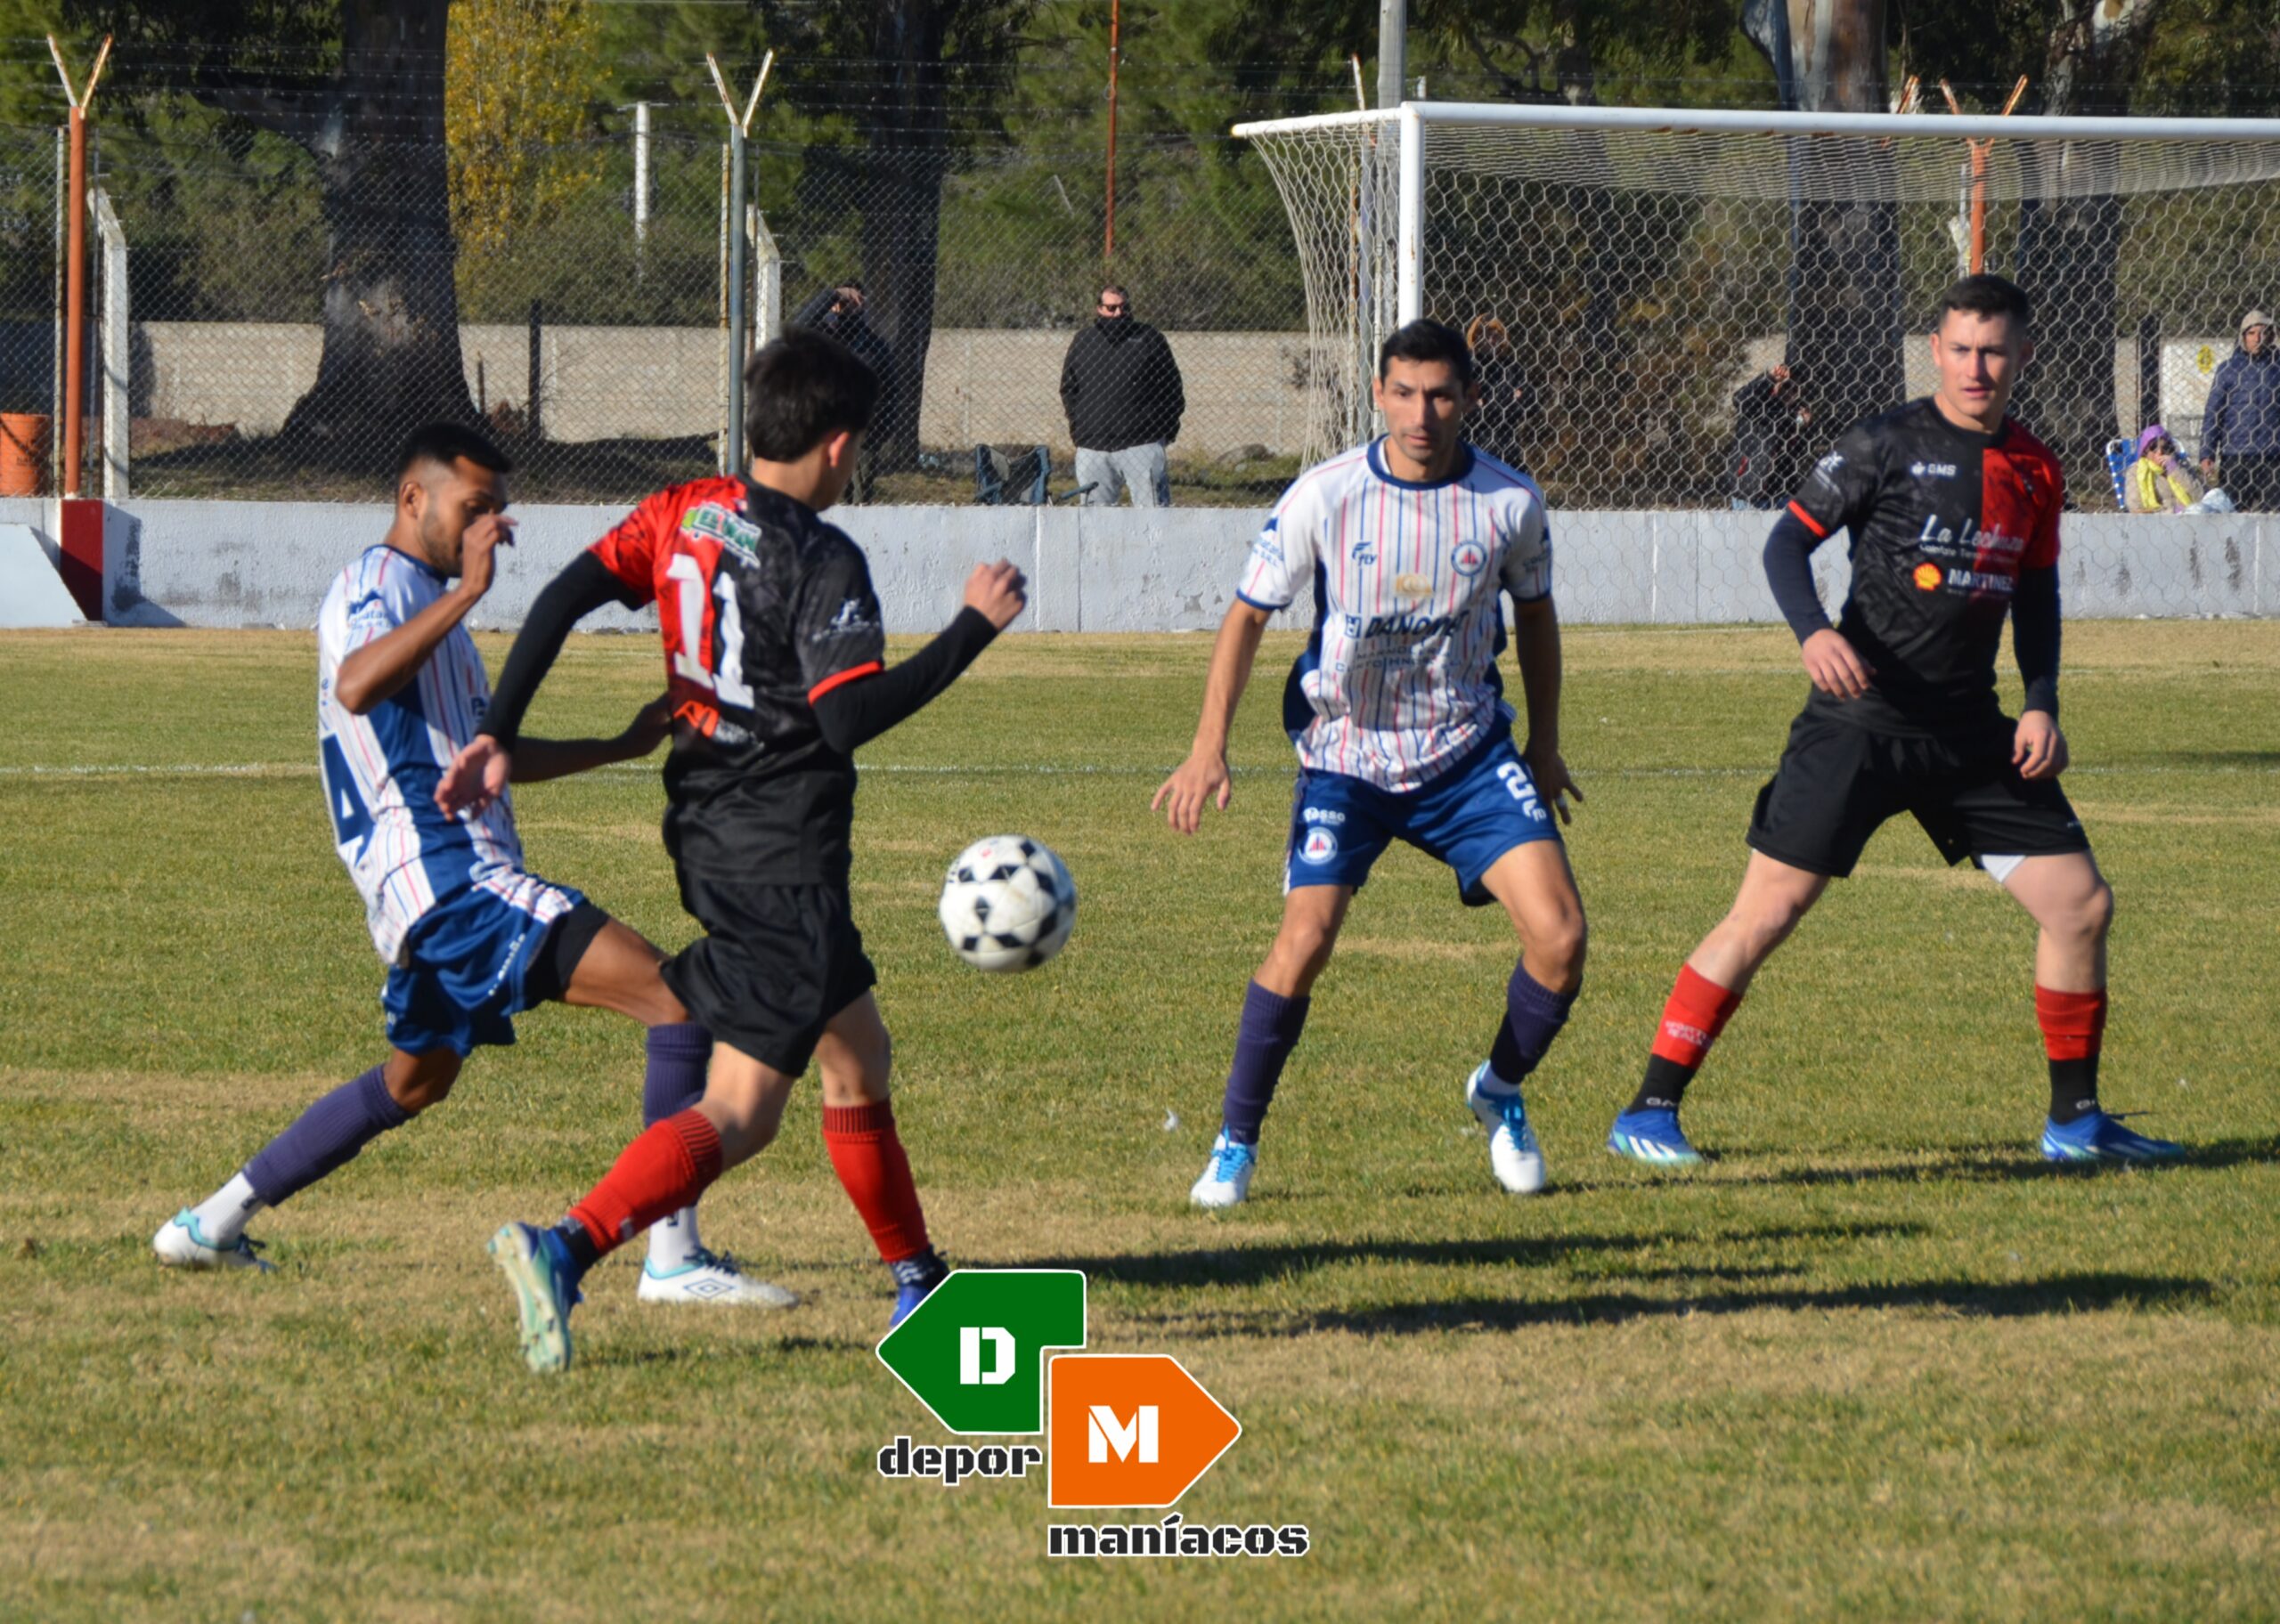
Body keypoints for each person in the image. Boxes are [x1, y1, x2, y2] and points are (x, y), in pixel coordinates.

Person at [444, 329, 1028, 1372]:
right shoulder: (821, 556)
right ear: (839, 445)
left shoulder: (683, 509)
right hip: (781, 856)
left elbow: (564, 596)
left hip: (710, 829)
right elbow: (847, 718)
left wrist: (497, 729)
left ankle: (918, 1281)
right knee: (743, 1112)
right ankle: (565, 1247)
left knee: (857, 1055)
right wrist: (971, 630)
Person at [153, 423, 794, 1309]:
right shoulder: (380, 583)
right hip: (451, 877)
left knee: (413, 1082)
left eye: (500, 508)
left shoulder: (428, 607)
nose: (491, 525)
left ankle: (208, 1226)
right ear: (413, 498)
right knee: (676, 998)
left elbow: (486, 757)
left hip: (429, 891)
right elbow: (357, 684)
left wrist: (617, 744)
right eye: (476, 506)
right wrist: (470, 594)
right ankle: (673, 1259)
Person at [1607, 274, 2182, 1170]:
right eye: (1961, 350)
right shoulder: (1883, 443)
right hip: (1858, 724)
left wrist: (2041, 701)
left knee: (2079, 905)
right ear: (1937, 351)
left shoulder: (2036, 466)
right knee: (1766, 913)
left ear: (2022, 355)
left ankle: (2075, 1124)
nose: (1976, 367)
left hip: (1968, 732)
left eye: (1994, 351)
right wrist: (1813, 635)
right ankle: (1648, 1110)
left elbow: (2035, 595)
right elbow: (1786, 543)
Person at [1154, 318, 1584, 1206]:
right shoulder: (1325, 495)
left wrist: (1542, 745)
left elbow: (1537, 618)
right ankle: (1235, 1142)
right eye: (1404, 393)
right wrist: (1207, 747)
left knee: (1560, 938)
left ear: (1469, 398)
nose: (1421, 414)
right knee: (1305, 940)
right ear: (1379, 395)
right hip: (1346, 757)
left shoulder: (1510, 502)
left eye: (1440, 395)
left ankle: (1499, 1091)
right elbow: (1246, 616)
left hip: (1466, 754)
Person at [1060, 284, 1185, 508]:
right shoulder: (1084, 341)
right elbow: (1069, 388)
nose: (1118, 313)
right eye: (1111, 308)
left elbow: (1172, 388)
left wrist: (1163, 431)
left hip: (1142, 444)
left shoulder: (1149, 338)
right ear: (1099, 309)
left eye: (1124, 308)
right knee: (1095, 516)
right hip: (1093, 446)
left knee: (1154, 513)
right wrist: (1080, 428)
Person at [794, 280, 896, 504]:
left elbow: (892, 391)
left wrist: (881, 432)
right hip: (823, 431)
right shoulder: (821, 337)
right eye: (843, 301)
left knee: (860, 499)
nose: (847, 306)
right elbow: (798, 326)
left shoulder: (874, 346)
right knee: (827, 495)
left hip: (862, 434)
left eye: (854, 300)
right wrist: (834, 295)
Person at [2199, 309, 2280, 510]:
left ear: (2271, 335)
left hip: (2273, 455)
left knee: (2273, 515)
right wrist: (2207, 452)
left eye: (2263, 332)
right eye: (2251, 333)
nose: (2257, 338)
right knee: (2233, 513)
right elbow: (2214, 413)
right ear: (2243, 336)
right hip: (2236, 455)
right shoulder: (2228, 369)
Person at [1730, 361, 1815, 509]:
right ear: (1776, 385)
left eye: (1796, 389)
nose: (1790, 392)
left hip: (1782, 493)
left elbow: (1799, 453)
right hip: (1750, 491)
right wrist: (1769, 379)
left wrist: (1806, 426)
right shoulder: (1759, 405)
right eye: (1786, 386)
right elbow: (1740, 400)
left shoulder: (1798, 414)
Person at [1465, 314, 1533, 468]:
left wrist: (1484, 404)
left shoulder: (1512, 367)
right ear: (1476, 337)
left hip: (1507, 448)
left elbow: (1531, 403)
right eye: (1487, 334)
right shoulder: (1466, 366)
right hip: (1473, 445)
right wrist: (1510, 400)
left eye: (1497, 335)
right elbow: (1465, 410)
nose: (1492, 340)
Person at [2122, 425, 2206, 515]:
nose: (2160, 452)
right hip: (2157, 521)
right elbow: (2136, 509)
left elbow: (2201, 497)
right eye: (2153, 447)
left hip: (2191, 516)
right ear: (2144, 452)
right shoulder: (2135, 472)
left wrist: (2175, 470)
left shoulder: (2181, 465)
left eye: (2165, 447)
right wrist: (2173, 512)